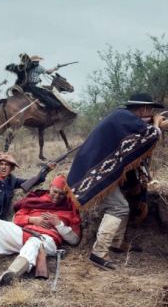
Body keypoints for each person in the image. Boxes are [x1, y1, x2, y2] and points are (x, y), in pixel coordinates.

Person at [67, 92, 167, 270]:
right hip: (93, 173)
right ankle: (98, 253)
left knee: (124, 201)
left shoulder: (123, 117)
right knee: (119, 207)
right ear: (143, 108)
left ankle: (116, 242)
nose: (151, 112)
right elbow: (151, 134)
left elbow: (145, 133)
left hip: (95, 169)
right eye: (150, 109)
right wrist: (158, 122)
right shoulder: (124, 117)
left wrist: (157, 124)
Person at [0, 175, 81, 288]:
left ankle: (11, 274)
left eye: (61, 194)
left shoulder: (70, 208)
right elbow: (16, 219)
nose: (57, 196)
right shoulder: (36, 200)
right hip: (23, 232)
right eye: (55, 191)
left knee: (34, 243)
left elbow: (74, 240)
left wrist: (58, 224)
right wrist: (31, 219)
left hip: (45, 240)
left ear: (67, 194)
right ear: (50, 187)